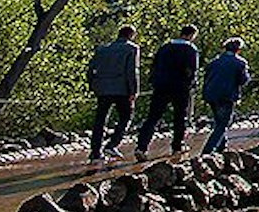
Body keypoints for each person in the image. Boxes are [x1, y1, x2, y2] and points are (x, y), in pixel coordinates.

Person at [135, 24, 202, 160]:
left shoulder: (165, 47)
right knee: (180, 117)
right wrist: (192, 84)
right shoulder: (190, 49)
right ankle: (177, 146)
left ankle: (141, 146)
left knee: (153, 117)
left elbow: (154, 65)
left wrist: (154, 81)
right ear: (191, 35)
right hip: (180, 87)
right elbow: (192, 70)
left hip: (161, 86)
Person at [85, 25, 139, 161]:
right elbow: (132, 71)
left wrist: (93, 85)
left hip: (103, 89)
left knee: (100, 120)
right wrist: (134, 91)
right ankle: (112, 144)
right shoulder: (131, 49)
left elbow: (91, 69)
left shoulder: (102, 49)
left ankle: (95, 152)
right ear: (131, 35)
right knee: (126, 116)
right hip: (122, 89)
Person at [200, 37, 252, 155]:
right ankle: (208, 149)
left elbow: (206, 76)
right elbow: (243, 80)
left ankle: (221, 146)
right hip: (227, 95)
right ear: (238, 50)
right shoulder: (240, 63)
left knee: (219, 121)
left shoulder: (214, 62)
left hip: (211, 94)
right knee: (223, 124)